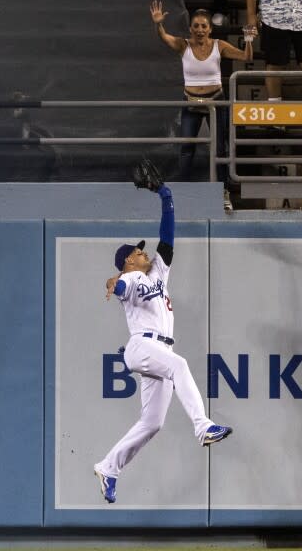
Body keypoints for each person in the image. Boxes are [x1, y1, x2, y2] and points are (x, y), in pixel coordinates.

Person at [94, 185, 233, 505]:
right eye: (138, 252)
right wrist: (112, 282)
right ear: (128, 260)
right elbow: (118, 286)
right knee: (180, 366)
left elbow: (167, 240)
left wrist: (166, 198)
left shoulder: (157, 274)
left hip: (159, 350)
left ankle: (108, 468)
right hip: (143, 346)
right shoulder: (131, 279)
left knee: (152, 423)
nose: (145, 253)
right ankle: (203, 427)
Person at [150, 1, 254, 211]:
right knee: (187, 149)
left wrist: (249, 40)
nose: (199, 30)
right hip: (191, 103)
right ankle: (181, 193)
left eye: (203, 26)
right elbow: (164, 37)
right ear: (190, 29)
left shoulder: (219, 46)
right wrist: (158, 24)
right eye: (196, 26)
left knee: (221, 148)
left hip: (216, 102)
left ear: (210, 29)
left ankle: (224, 192)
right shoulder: (183, 45)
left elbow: (246, 57)